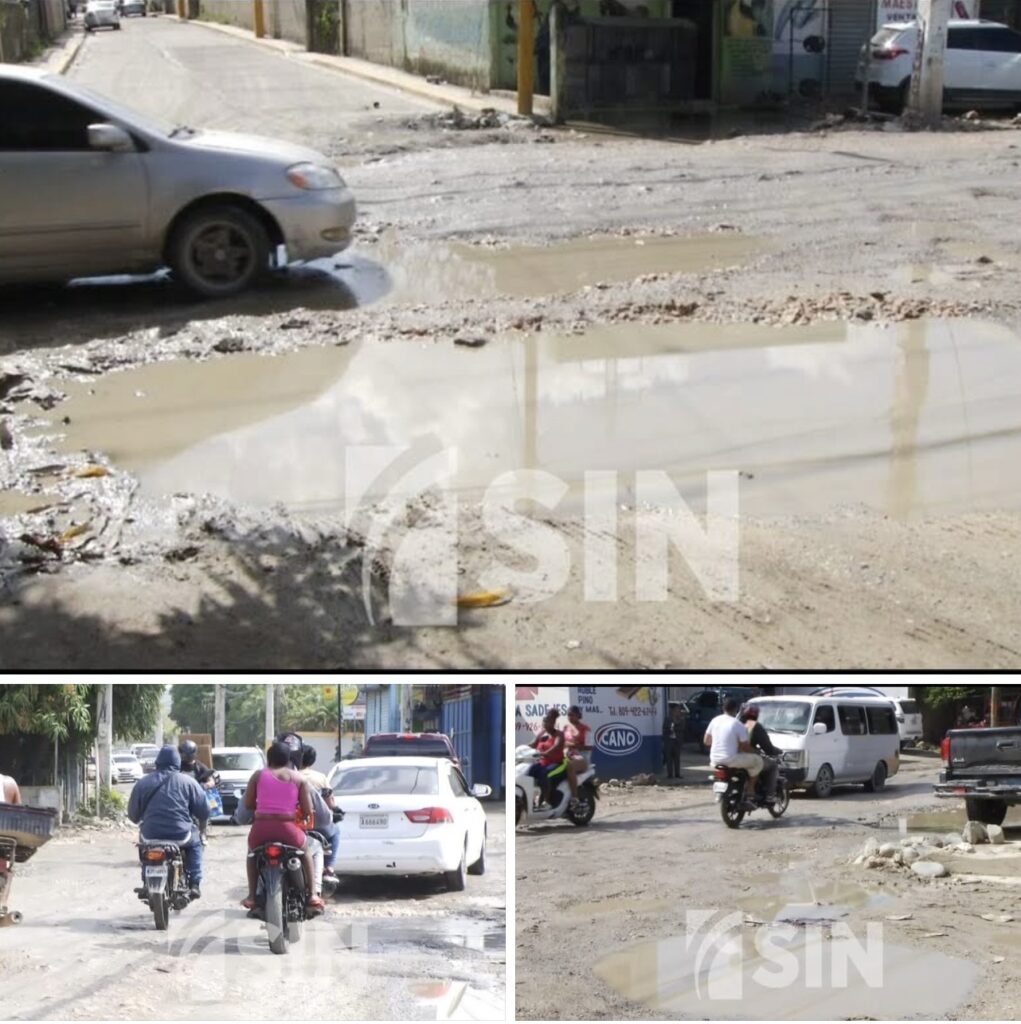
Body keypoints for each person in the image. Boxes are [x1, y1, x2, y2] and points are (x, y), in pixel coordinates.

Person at [240, 740, 323, 913]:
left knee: (252, 853)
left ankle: (252, 897)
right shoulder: (299, 778)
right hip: (288, 829)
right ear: (289, 760)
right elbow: (308, 811)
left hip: (261, 829)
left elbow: (248, 804)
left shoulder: (258, 775)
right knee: (306, 851)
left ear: (268, 759)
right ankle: (313, 895)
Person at [127, 745, 208, 899]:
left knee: (143, 847)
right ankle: (195, 883)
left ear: (158, 762)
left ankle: (146, 879)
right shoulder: (189, 782)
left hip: (150, 835)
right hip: (181, 835)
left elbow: (133, 815)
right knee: (196, 841)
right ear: (178, 762)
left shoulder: (143, 783)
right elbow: (204, 811)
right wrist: (201, 829)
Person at [704, 698, 763, 809]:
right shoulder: (737, 724)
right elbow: (744, 747)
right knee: (758, 761)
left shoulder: (714, 720)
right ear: (736, 710)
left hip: (714, 761)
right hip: (730, 760)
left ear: (723, 708)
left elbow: (706, 741)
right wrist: (756, 752)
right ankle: (750, 790)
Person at [300, 746, 340, 880]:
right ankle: (329, 867)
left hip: (296, 823)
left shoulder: (290, 776)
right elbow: (330, 803)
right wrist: (335, 810)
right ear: (312, 761)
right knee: (336, 832)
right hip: (319, 824)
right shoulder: (320, 777)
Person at [179, 740, 217, 845]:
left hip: (195, 797)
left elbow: (211, 781)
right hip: (179, 797)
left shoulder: (199, 767)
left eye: (188, 754)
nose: (186, 756)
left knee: (204, 809)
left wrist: (204, 786)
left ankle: (202, 832)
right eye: (184, 753)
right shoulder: (177, 766)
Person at [740, 704, 780, 802]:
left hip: (731, 757)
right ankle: (769, 796)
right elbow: (766, 746)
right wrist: (775, 751)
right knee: (773, 766)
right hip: (747, 758)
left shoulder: (736, 724)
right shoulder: (754, 726)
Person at [528, 709, 567, 808]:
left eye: (547, 722)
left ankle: (546, 801)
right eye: (544, 722)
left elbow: (557, 746)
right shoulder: (542, 735)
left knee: (545, 773)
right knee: (529, 771)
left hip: (558, 764)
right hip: (543, 763)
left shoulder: (559, 734)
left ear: (553, 723)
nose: (545, 724)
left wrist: (546, 753)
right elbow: (531, 745)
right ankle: (529, 800)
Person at [562, 706, 592, 809]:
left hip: (582, 758)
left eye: (572, 715)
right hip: (567, 755)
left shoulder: (585, 729)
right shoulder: (566, 728)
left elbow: (590, 746)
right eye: (568, 714)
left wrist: (575, 746)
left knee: (569, 767)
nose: (570, 717)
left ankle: (575, 797)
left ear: (578, 715)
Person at [662, 704, 687, 780]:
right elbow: (664, 728)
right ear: (672, 711)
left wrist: (675, 726)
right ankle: (670, 774)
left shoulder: (681, 719)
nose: (678, 712)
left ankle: (677, 774)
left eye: (679, 710)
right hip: (669, 741)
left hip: (677, 741)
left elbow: (682, 728)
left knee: (677, 758)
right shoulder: (668, 719)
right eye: (676, 710)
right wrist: (669, 729)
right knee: (669, 758)